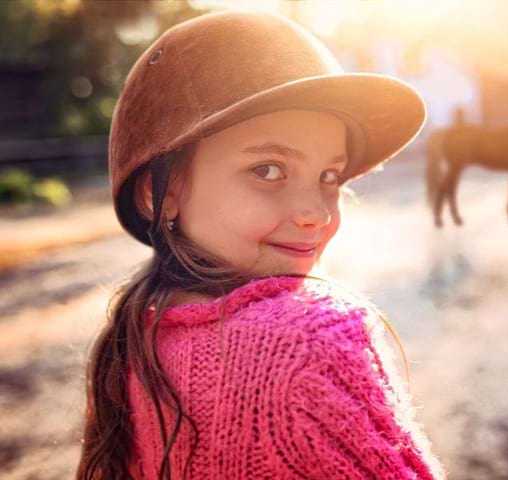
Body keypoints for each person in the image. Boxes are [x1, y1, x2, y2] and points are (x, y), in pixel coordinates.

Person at [76, 9, 445, 480]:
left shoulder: (134, 338)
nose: (317, 213)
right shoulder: (312, 339)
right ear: (161, 192)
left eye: (329, 176)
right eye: (268, 170)